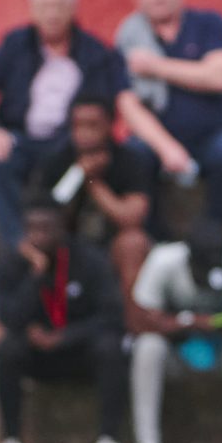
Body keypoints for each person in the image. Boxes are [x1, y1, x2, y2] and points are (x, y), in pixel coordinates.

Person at [0, 0, 179, 254]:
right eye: (45, 6)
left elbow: (108, 106)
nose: (52, 14)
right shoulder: (16, 45)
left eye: (59, 5)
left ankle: (66, 248)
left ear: (73, 8)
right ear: (33, 10)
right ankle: (19, 245)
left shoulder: (95, 53)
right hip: (21, 140)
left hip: (69, 144)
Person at [0, 197, 127, 443]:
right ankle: (12, 442)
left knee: (111, 348)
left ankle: (108, 442)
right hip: (38, 354)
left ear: (62, 227)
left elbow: (111, 316)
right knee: (6, 350)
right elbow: (8, 319)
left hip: (80, 350)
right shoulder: (12, 262)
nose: (39, 236)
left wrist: (66, 337)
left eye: (46, 228)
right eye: (32, 228)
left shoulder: (89, 259)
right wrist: (35, 277)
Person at [113, 0, 222, 227]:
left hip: (212, 137)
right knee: (132, 153)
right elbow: (127, 103)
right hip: (159, 141)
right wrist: (167, 148)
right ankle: (155, 239)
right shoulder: (129, 37)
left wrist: (156, 66)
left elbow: (220, 77)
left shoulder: (209, 23)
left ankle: (215, 234)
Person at [128, 218, 222, 443]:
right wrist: (186, 322)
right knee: (147, 347)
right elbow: (140, 320)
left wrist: (213, 322)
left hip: (219, 350)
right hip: (177, 353)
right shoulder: (163, 260)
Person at [26, 96, 155, 300]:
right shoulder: (55, 161)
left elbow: (131, 219)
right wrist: (77, 175)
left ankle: (131, 316)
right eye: (78, 125)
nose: (84, 133)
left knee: (133, 243)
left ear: (110, 124)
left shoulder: (129, 161)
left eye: (93, 125)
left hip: (111, 245)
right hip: (68, 246)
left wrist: (94, 183)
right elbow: (47, 215)